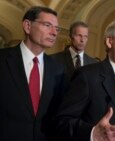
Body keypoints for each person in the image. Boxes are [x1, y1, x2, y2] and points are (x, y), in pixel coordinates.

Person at [0, 6, 66, 141]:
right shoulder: (2, 60)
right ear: (28, 26)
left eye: (57, 28)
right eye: (48, 25)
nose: (54, 32)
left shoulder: (59, 69)